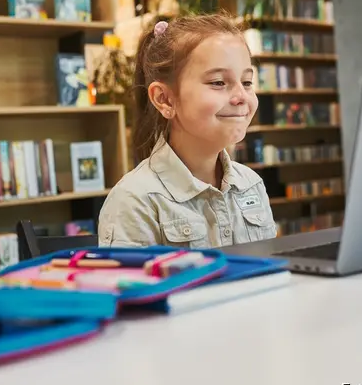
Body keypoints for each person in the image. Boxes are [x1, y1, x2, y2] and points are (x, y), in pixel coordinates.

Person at [97, 13, 277, 248]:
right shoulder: (135, 201)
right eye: (218, 82)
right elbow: (132, 285)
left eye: (246, 82)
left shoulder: (251, 184)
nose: (241, 97)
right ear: (165, 99)